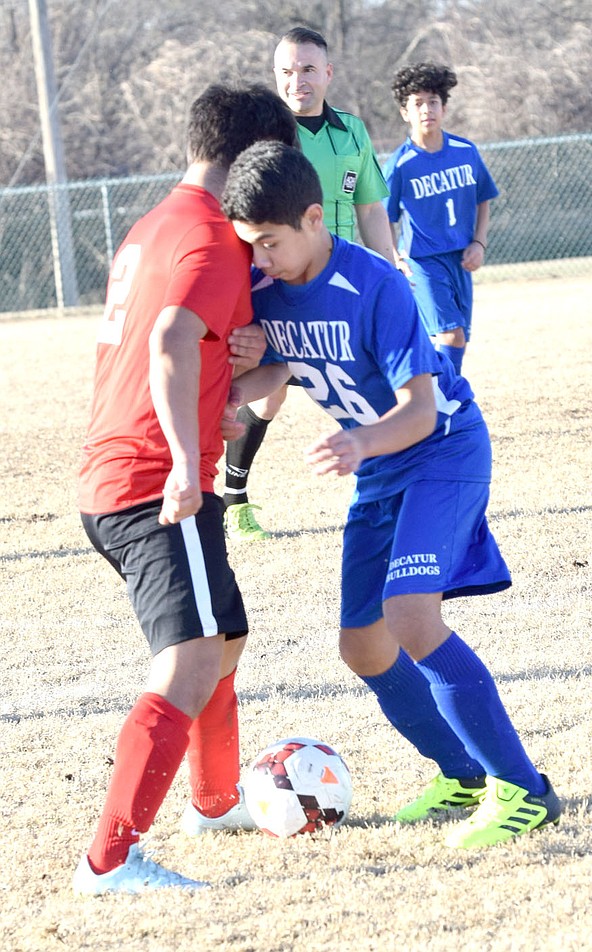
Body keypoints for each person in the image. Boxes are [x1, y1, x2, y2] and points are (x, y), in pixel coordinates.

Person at [221, 141, 562, 850]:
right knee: (363, 647)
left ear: (315, 218)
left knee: (410, 615)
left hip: (440, 450)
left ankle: (524, 790)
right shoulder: (264, 288)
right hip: (378, 468)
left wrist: (357, 442)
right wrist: (232, 395)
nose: (260, 261)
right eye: (250, 247)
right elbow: (281, 368)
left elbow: (421, 411)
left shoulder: (376, 283)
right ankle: (461, 773)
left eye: (270, 244)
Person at [72, 84, 298, 895]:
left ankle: (214, 802)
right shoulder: (210, 235)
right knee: (193, 657)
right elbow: (170, 339)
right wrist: (182, 458)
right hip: (151, 483)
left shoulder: (157, 222)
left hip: (118, 471)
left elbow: (182, 344)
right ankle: (109, 860)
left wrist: (234, 376)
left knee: (224, 634)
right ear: (252, 159)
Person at [223, 26, 395, 542]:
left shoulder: (353, 132)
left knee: (366, 383)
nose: (296, 80)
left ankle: (387, 491)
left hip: (347, 285)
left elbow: (370, 208)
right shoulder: (263, 139)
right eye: (286, 71)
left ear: (327, 73)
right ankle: (234, 497)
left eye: (306, 69)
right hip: (281, 285)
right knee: (272, 387)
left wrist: (388, 270)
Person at [384, 63, 499, 375]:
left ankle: (429, 393)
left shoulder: (465, 150)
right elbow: (383, 217)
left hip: (461, 258)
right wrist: (396, 258)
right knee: (451, 334)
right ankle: (447, 403)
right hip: (423, 261)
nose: (426, 110)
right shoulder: (401, 165)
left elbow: (483, 199)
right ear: (404, 112)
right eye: (417, 103)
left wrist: (479, 243)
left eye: (433, 101)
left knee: (455, 339)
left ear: (444, 107)